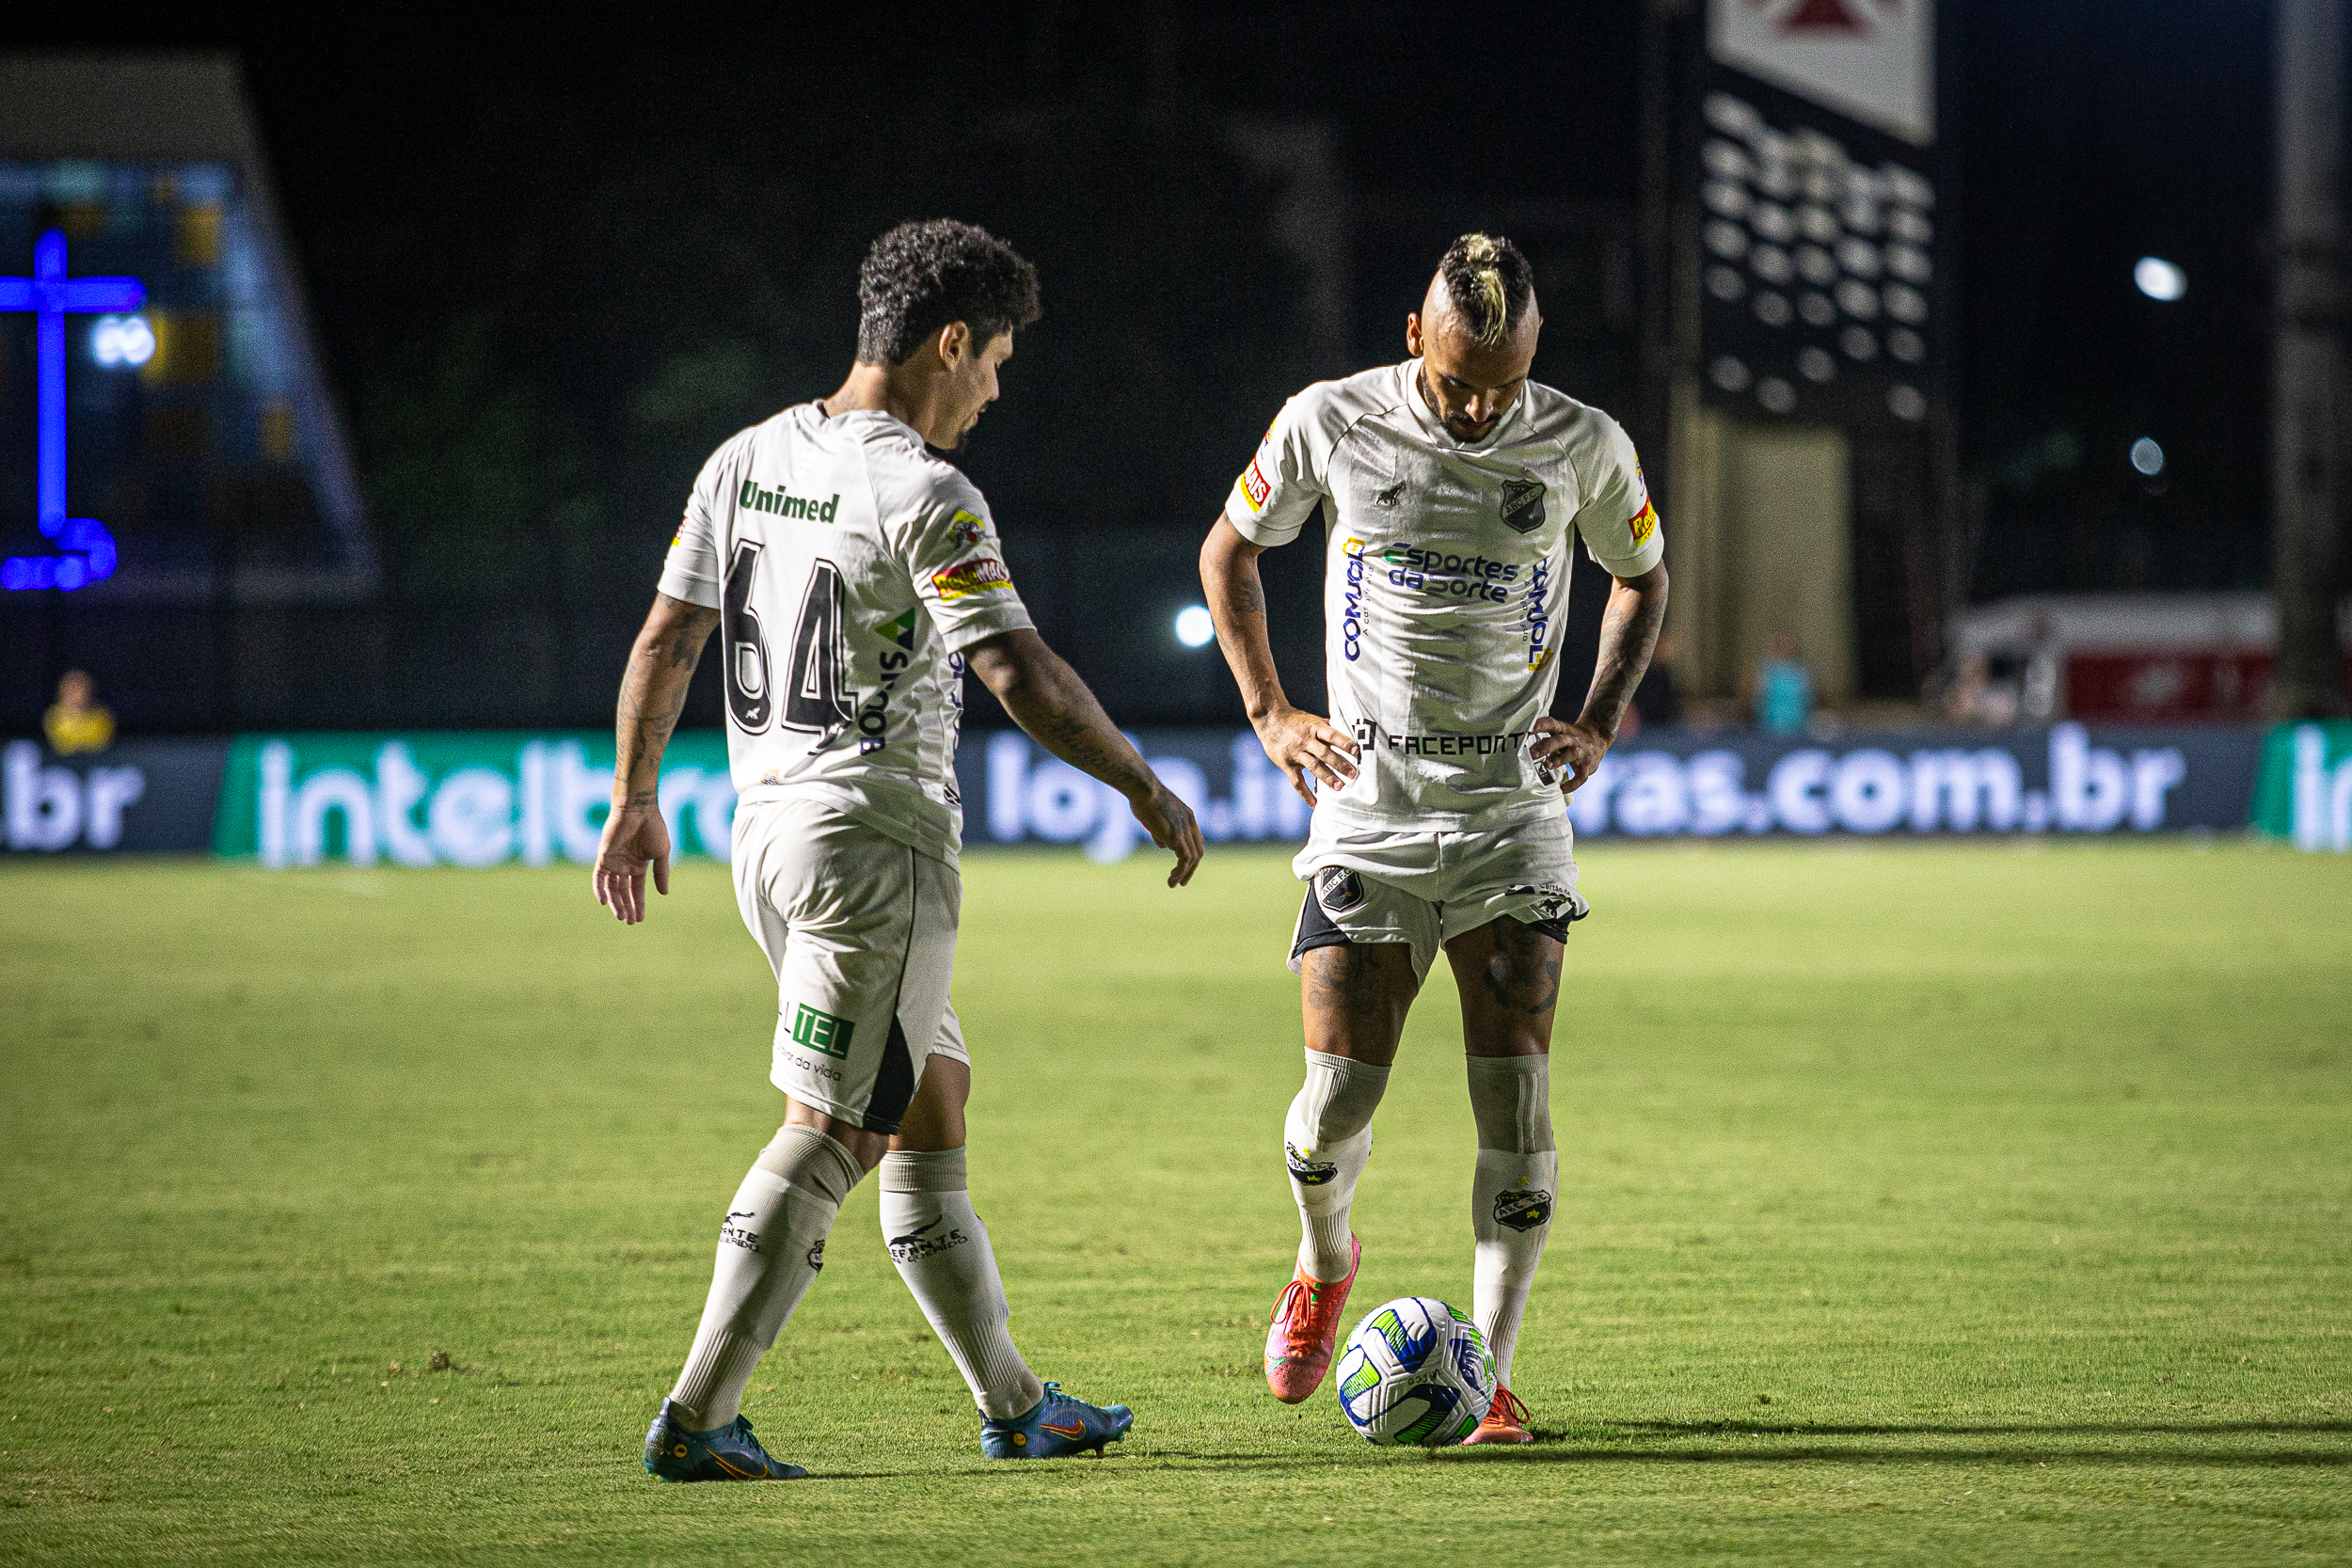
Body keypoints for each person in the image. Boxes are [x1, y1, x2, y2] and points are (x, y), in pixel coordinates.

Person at [593, 219, 1203, 1482]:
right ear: (950, 342)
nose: (994, 392)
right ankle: (699, 1414)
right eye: (996, 364)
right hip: (877, 847)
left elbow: (666, 638)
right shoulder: (925, 491)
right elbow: (1015, 667)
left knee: (933, 1099)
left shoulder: (746, 457)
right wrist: (1141, 782)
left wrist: (633, 795)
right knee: (833, 1127)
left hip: (766, 836)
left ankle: (1017, 1401)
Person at [1198, 233, 1669, 1445]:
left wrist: (1599, 719)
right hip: (1370, 811)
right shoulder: (1331, 419)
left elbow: (1642, 574)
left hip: (1512, 815)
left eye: (1503, 385)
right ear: (1414, 337)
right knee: (1329, 1108)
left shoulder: (1585, 444)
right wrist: (1270, 711)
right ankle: (1324, 1258)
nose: (1477, 409)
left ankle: (1487, 1373)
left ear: (1535, 355)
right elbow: (1230, 550)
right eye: (1458, 383)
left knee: (1517, 1107)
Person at [1749, 633, 1813, 735]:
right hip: (1769, 727)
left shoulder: (1801, 669)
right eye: (1780, 644)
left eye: (1788, 644)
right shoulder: (1766, 669)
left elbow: (1808, 697)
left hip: (1797, 726)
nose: (1784, 647)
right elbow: (1757, 696)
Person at [42, 670, 114, 755]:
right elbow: (59, 744)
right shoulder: (53, 715)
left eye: (78, 689)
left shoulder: (101, 717)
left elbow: (101, 743)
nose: (73, 694)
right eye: (69, 689)